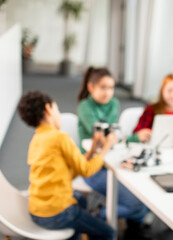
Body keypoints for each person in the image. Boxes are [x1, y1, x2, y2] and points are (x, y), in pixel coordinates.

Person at [17, 91, 116, 240]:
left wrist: (91, 152)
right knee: (109, 232)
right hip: (57, 213)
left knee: (80, 199)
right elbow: (86, 170)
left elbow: (66, 170)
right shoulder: (60, 137)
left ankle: (73, 234)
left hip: (37, 211)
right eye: (57, 109)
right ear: (48, 109)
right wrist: (106, 148)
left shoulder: (37, 139)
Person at [77, 67, 150, 239]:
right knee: (136, 205)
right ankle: (96, 216)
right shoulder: (85, 106)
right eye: (103, 87)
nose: (108, 92)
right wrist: (132, 137)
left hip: (113, 161)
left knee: (146, 193)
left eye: (111, 87)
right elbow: (104, 138)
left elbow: (114, 137)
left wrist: (117, 138)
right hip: (92, 167)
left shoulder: (114, 104)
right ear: (91, 87)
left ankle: (122, 219)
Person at [130, 72, 173, 142]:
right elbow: (136, 133)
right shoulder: (151, 109)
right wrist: (143, 134)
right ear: (162, 91)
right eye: (169, 90)